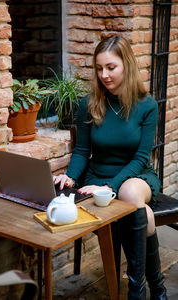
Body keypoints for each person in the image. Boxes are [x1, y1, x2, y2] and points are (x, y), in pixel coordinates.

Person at [53, 35, 167, 300]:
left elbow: (141, 158)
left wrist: (109, 187)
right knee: (145, 215)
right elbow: (82, 151)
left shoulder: (147, 105)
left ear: (126, 65)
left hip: (135, 175)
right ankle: (153, 290)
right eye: (99, 68)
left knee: (128, 193)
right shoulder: (89, 104)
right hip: (96, 174)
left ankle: (137, 290)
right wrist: (70, 177)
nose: (104, 75)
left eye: (111, 67)